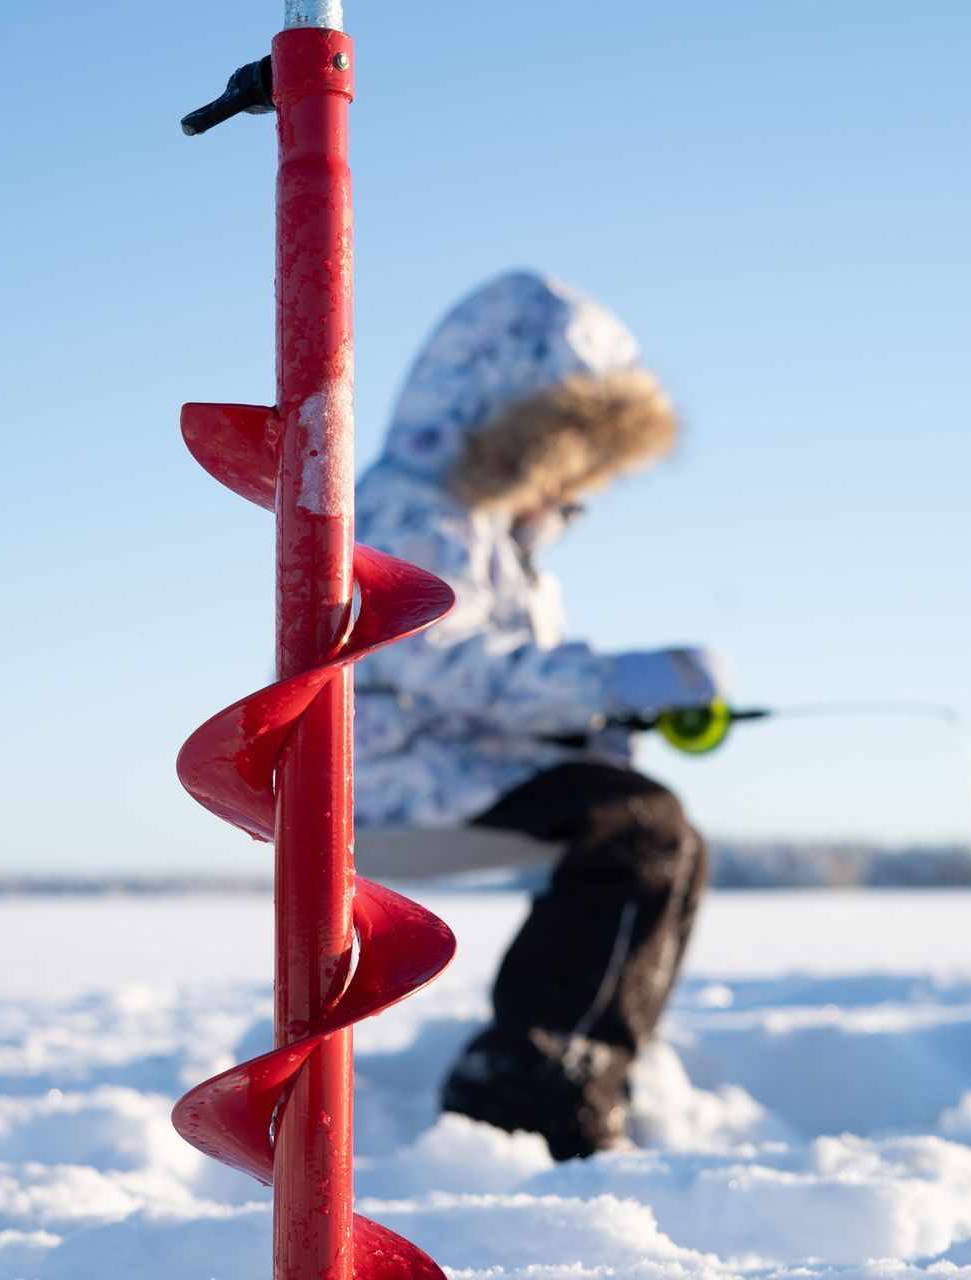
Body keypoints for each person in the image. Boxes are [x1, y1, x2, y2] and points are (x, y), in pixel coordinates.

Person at [353, 270, 729, 1159]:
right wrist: (612, 682)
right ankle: (530, 1074)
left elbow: (504, 697)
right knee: (640, 833)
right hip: (389, 771)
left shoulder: (493, 540)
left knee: (660, 840)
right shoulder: (414, 512)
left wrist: (601, 726)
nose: (573, 498)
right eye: (567, 468)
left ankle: (585, 1057)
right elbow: (445, 665)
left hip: (451, 766)